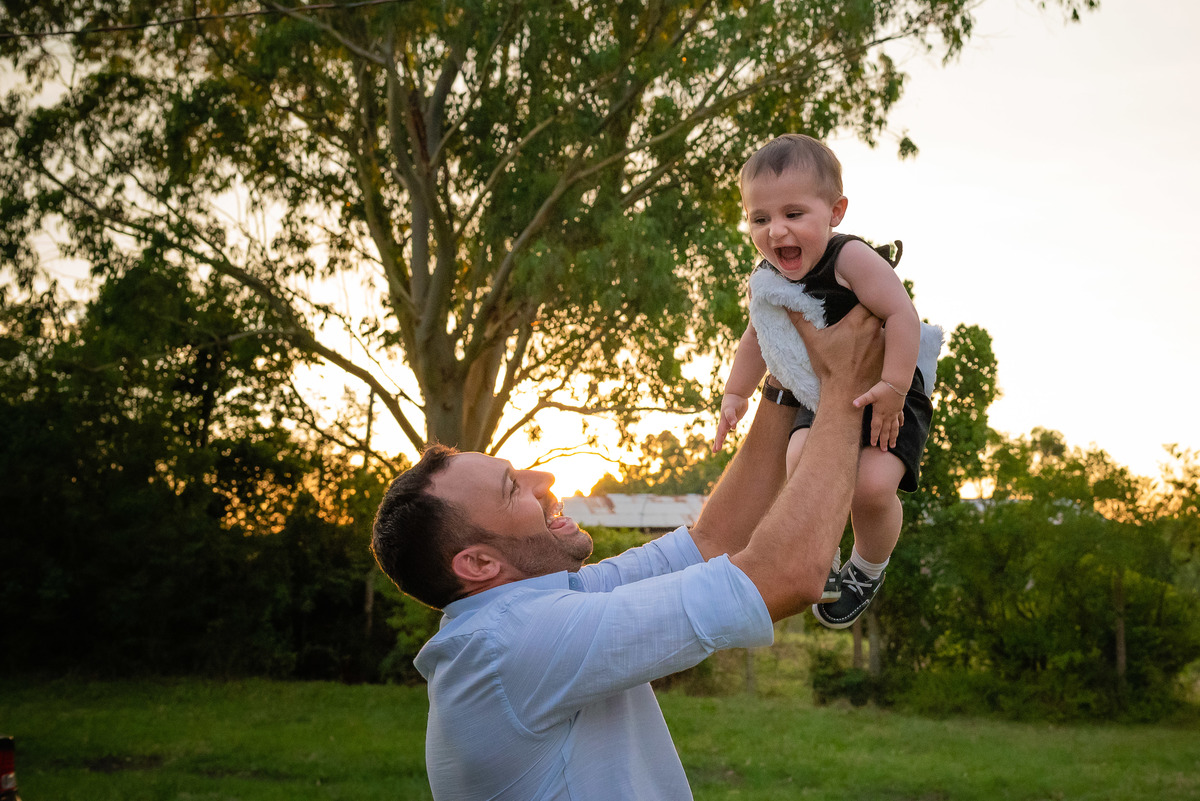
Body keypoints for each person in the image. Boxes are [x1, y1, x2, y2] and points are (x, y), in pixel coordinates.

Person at [371, 304, 885, 801]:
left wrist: (782, 375)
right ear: (480, 564)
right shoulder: (510, 643)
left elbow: (713, 543)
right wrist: (842, 387)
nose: (543, 478)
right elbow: (788, 574)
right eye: (513, 489)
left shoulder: (540, 603)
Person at [712, 133, 943, 630]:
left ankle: (868, 565)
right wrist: (735, 393)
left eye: (793, 214)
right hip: (821, 392)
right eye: (760, 219)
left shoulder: (851, 259)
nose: (776, 231)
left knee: (874, 486)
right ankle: (824, 555)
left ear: (835, 211)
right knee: (799, 461)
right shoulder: (767, 279)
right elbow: (757, 336)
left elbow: (902, 315)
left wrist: (895, 388)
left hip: (887, 389)